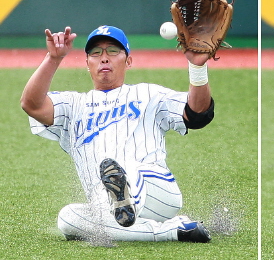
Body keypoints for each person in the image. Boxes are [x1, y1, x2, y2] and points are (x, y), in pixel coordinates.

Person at [20, 25, 215, 242]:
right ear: (87, 64)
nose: (104, 58)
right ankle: (173, 231)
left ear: (128, 61)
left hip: (157, 191)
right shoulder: (73, 105)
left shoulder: (149, 94)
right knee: (68, 218)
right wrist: (53, 58)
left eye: (112, 51)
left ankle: (123, 197)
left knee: (126, 168)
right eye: (96, 53)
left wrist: (197, 68)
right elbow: (31, 104)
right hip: (107, 205)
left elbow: (197, 114)